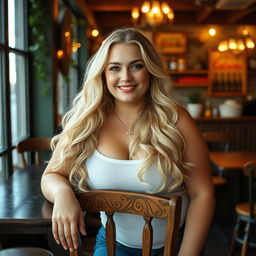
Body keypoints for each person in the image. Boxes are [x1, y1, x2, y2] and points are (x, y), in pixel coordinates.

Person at [41, 27, 215, 256]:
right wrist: (63, 193)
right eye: (115, 68)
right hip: (114, 246)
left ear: (150, 70)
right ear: (103, 74)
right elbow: (52, 176)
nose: (126, 77)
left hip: (177, 245)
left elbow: (203, 194)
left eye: (136, 66)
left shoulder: (177, 119)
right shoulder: (86, 122)